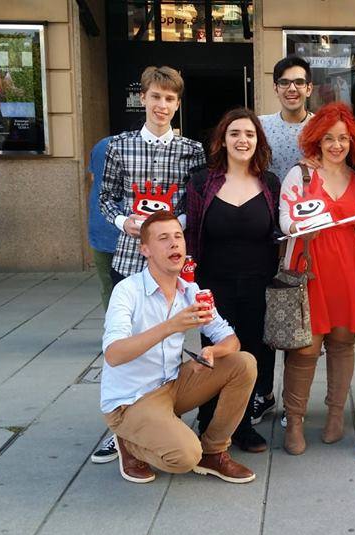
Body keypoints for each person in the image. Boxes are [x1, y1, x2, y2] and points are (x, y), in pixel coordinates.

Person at [101, 210, 257, 484]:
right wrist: (171, 326)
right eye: (163, 238)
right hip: (131, 400)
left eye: (178, 237)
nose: (174, 244)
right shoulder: (127, 291)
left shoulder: (191, 291)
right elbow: (113, 354)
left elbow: (230, 339)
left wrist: (212, 352)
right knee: (184, 457)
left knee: (243, 363)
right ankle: (127, 441)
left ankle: (214, 452)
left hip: (172, 387)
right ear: (145, 249)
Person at [186, 108, 280, 453]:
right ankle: (209, 423)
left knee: (252, 354)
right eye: (235, 134)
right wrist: (191, 284)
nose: (243, 140)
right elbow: (192, 234)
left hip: (259, 284)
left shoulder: (269, 183)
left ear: (258, 142)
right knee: (217, 354)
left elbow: (277, 234)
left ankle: (241, 427)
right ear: (222, 140)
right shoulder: (202, 182)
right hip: (214, 285)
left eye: (250, 135)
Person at [278, 102, 355, 455]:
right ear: (317, 140)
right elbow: (285, 218)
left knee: (343, 344)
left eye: (343, 138)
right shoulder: (302, 174)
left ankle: (334, 415)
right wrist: (300, 226)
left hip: (348, 273)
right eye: (328, 138)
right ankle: (295, 421)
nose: (336, 145)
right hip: (309, 272)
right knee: (305, 349)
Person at [100, 66, 205, 285]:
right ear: (143, 98)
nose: (162, 105)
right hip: (130, 258)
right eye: (156, 96)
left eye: (169, 98)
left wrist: (177, 224)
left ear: (177, 104)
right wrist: (122, 221)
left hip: (175, 257)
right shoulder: (119, 146)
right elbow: (106, 197)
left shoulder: (193, 150)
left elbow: (197, 203)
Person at [259, 56, 314, 182]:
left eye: (299, 82)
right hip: (268, 199)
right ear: (275, 88)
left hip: (311, 199)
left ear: (309, 89)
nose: (292, 89)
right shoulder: (260, 126)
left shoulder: (323, 127)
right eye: (284, 83)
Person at [87, 136, 119, 308]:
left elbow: (93, 178)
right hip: (134, 229)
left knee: (108, 285)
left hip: (101, 225)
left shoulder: (101, 145)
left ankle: (114, 332)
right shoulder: (140, 149)